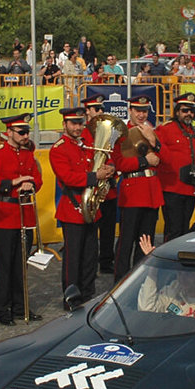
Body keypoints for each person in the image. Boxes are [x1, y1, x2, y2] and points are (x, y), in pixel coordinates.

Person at [0, 114, 43, 325]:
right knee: (4, 266)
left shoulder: (28, 154)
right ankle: (1, 309)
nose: (26, 136)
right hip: (4, 215)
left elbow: (38, 178)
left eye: (27, 132)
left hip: (25, 214)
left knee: (21, 265)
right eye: (21, 132)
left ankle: (20, 306)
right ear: (9, 133)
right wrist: (14, 182)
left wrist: (31, 184)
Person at [52, 107, 114, 310]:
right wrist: (96, 176)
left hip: (92, 207)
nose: (78, 127)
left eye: (80, 123)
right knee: (73, 258)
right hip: (73, 208)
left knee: (90, 257)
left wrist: (109, 169)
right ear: (64, 124)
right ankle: (71, 298)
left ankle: (88, 295)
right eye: (73, 123)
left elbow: (105, 161)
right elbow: (68, 177)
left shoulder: (88, 145)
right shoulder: (59, 149)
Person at [113, 96, 164, 278]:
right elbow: (118, 163)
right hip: (132, 192)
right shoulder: (121, 134)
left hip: (151, 192)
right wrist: (144, 161)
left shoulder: (152, 131)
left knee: (146, 242)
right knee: (126, 243)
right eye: (137, 111)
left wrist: (154, 142)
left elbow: (163, 158)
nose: (141, 115)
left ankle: (140, 281)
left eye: (144, 111)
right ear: (130, 111)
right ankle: (120, 282)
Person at [157, 94, 195, 242]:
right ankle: (169, 256)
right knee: (173, 229)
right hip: (172, 187)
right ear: (177, 112)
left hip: (190, 188)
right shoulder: (165, 129)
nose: (188, 114)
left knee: (185, 229)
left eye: (191, 111)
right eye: (184, 110)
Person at [82, 96, 119, 273]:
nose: (100, 112)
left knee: (108, 228)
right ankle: (89, 266)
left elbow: (113, 154)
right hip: (90, 187)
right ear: (87, 111)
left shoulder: (108, 131)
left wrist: (111, 167)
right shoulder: (82, 134)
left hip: (107, 189)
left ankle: (106, 260)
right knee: (90, 230)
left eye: (101, 109)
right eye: (96, 109)